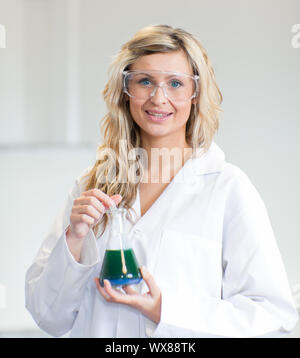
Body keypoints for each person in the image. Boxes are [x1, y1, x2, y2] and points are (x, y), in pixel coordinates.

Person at [25, 24, 298, 338]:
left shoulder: (228, 189)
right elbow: (49, 316)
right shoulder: (91, 185)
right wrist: (73, 239)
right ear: (126, 91)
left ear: (195, 94)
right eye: (144, 81)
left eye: (175, 83)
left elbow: (272, 315)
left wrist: (166, 310)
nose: (158, 97)